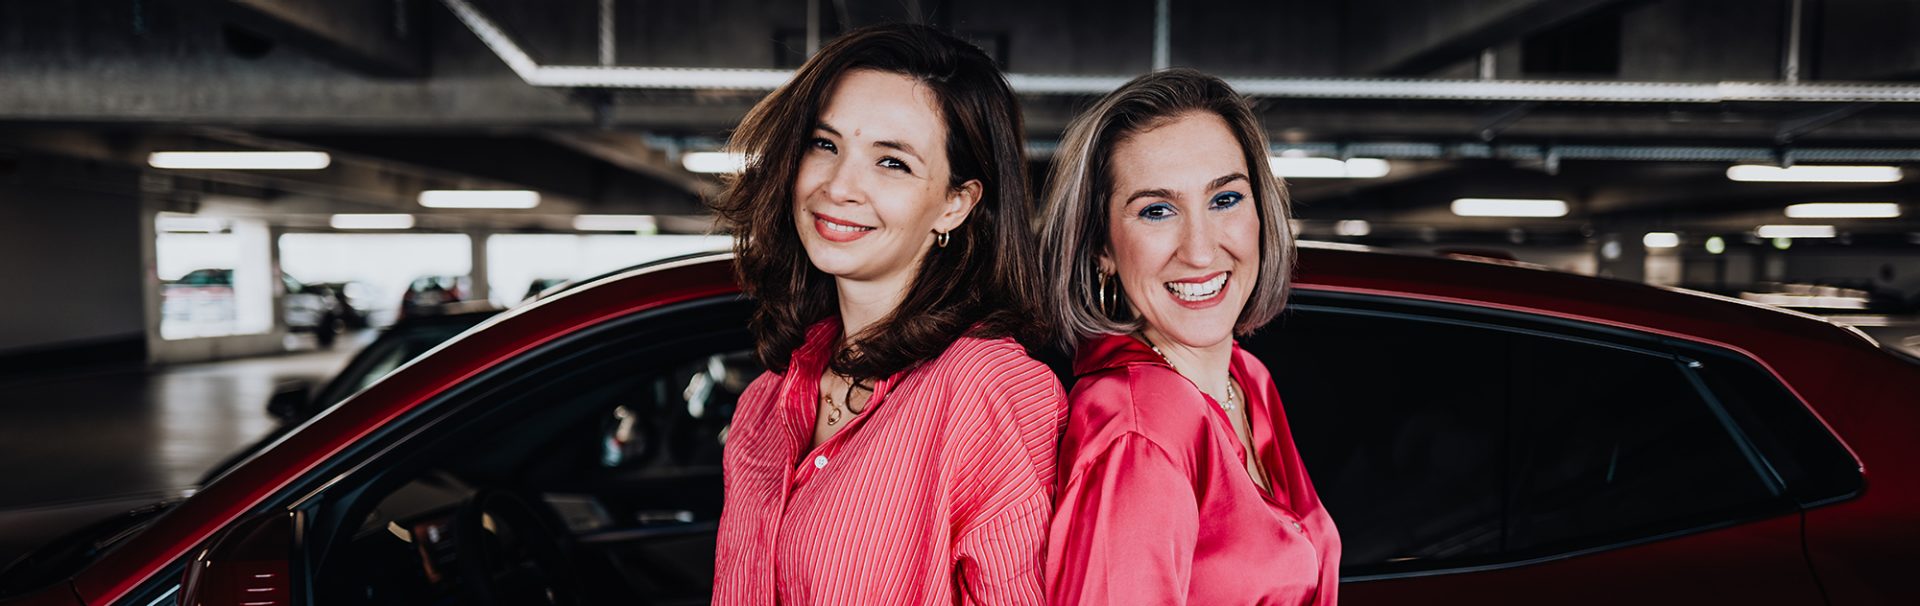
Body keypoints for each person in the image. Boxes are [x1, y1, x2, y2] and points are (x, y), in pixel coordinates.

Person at [709, 23, 1066, 605]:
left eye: (892, 163)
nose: (840, 186)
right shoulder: (766, 404)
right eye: (825, 145)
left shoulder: (986, 391)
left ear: (955, 203)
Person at [1038, 69, 1341, 605]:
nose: (1200, 251)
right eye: (1157, 211)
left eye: (1225, 200)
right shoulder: (1140, 429)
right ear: (1101, 248)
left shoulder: (1246, 378)